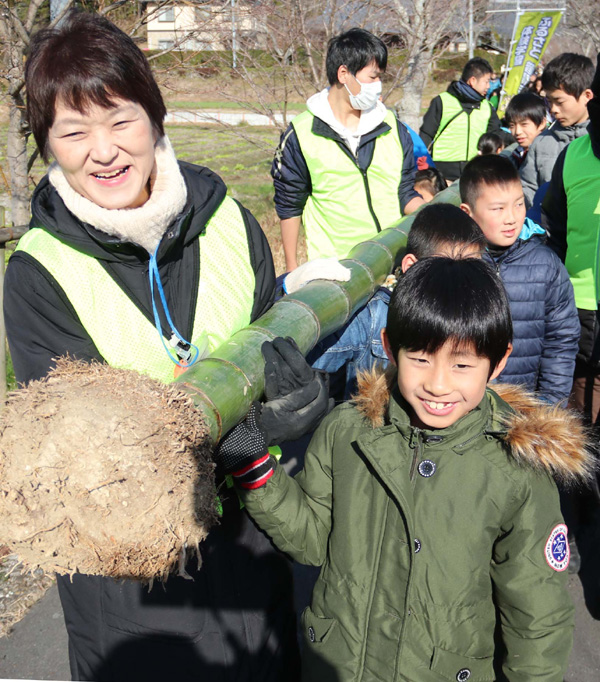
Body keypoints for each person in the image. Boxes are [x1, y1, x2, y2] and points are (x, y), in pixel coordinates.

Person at [4, 11, 329, 681]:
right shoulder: (38, 272)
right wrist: (236, 427)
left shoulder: (230, 222)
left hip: (250, 553)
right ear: (47, 144)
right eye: (73, 131)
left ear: (155, 118)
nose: (103, 150)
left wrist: (294, 405)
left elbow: (270, 345)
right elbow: (87, 455)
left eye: (120, 120)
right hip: (133, 595)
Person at [216, 257, 593, 681]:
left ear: (499, 362)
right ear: (389, 346)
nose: (438, 384)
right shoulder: (348, 430)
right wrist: (254, 468)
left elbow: (537, 613)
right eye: (420, 359)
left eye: (462, 365)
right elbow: (310, 540)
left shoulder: (517, 469)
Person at [272, 28, 424, 270]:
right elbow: (290, 206)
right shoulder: (300, 134)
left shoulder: (393, 127)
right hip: (338, 269)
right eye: (372, 77)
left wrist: (435, 214)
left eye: (380, 78)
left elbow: (405, 192)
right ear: (344, 74)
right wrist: (292, 268)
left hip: (395, 260)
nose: (379, 86)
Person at [309, 203, 485, 397]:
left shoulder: (476, 315)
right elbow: (311, 361)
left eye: (471, 269)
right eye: (445, 268)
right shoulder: (374, 316)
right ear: (411, 266)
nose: (461, 282)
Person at [542, 52, 600, 575]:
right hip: (581, 310)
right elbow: (555, 228)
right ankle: (578, 520)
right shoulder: (574, 157)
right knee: (578, 412)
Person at [459, 154, 579, 404]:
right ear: (467, 212)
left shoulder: (546, 264)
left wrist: (550, 405)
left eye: (518, 204)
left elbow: (562, 339)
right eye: (498, 208)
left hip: (525, 406)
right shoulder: (456, 263)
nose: (512, 217)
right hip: (462, 404)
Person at [520, 53, 594, 207]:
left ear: (587, 96)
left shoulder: (595, 141)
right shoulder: (541, 143)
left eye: (559, 101)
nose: (553, 109)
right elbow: (528, 187)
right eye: (549, 101)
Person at [419, 57, 501, 181]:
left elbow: (495, 134)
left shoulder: (487, 107)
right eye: (486, 81)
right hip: (443, 171)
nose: (489, 86)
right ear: (473, 81)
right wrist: (421, 163)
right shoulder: (442, 101)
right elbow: (426, 134)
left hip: (475, 170)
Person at [502, 91, 547, 168]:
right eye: (512, 125)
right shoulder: (514, 155)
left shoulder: (547, 156)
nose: (517, 132)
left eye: (524, 124)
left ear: (542, 123)